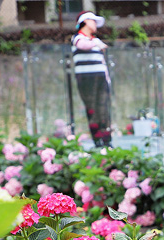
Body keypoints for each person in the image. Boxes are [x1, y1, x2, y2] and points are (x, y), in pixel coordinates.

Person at [72, 11, 113, 147]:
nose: (95, 24)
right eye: (93, 21)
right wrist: (95, 42)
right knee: (92, 110)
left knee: (104, 109)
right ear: (85, 22)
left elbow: (102, 63)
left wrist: (107, 80)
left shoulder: (95, 40)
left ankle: (107, 140)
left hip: (100, 78)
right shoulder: (78, 38)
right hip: (86, 79)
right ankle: (97, 141)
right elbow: (82, 46)